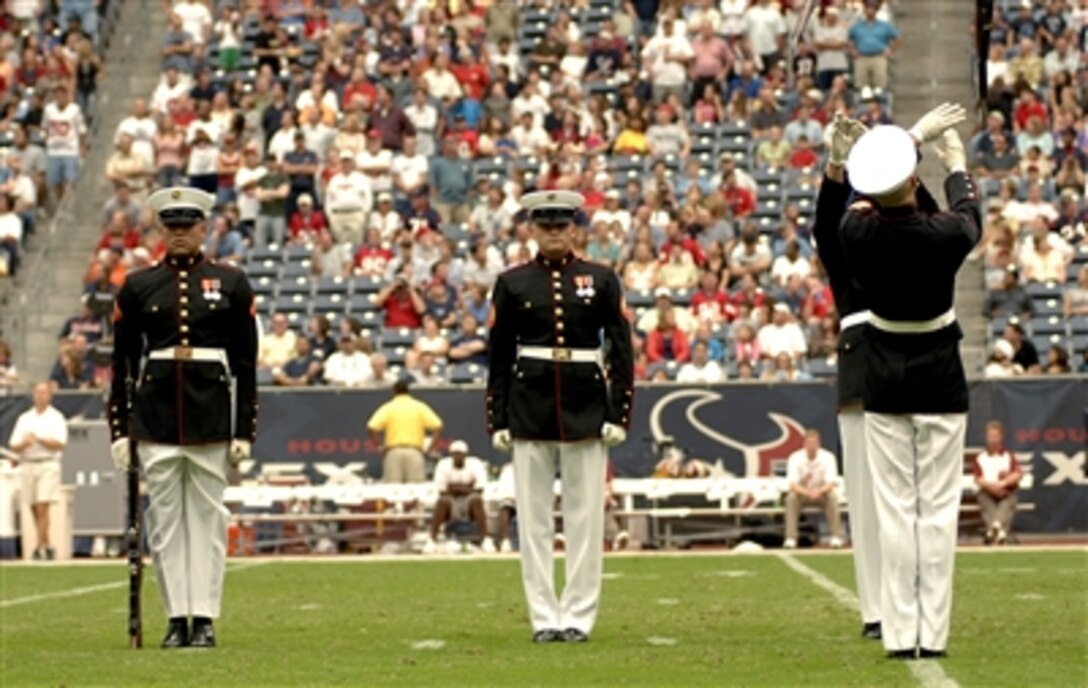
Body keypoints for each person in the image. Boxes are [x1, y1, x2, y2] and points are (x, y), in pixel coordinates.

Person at [814, 104, 964, 641]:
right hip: (866, 366)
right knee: (871, 497)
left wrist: (883, 155)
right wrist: (841, 167)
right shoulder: (851, 243)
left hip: (884, 359)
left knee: (903, 502)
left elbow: (909, 205)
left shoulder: (876, 234)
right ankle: (879, 608)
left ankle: (903, 610)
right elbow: (828, 223)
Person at [108, 186, 258, 649]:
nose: (178, 234)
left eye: (187, 226)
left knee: (209, 519)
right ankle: (177, 617)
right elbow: (123, 363)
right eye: (170, 226)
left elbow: (246, 364)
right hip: (156, 415)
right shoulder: (138, 285)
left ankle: (205, 617)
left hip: (211, 410)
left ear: (203, 228)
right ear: (159, 228)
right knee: (167, 522)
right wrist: (120, 428)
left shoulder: (231, 282)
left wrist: (243, 428)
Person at [487, 190, 634, 643]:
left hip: (585, 404)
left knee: (585, 518)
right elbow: (497, 355)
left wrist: (619, 411)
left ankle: (577, 616)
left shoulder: (602, 278)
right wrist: (498, 417)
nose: (554, 234)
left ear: (575, 229)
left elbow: (621, 347)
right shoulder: (512, 282)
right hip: (529, 405)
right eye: (545, 226)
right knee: (532, 521)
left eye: (562, 226)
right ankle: (543, 618)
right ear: (531, 229)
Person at [8, 383, 68, 560]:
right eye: (38, 393)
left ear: (50, 395)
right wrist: (26, 443)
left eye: (44, 393)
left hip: (48, 463)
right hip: (28, 464)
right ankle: (47, 544)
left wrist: (40, 440)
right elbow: (14, 445)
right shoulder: (25, 419)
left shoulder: (56, 417)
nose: (41, 396)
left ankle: (39, 547)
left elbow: (60, 443)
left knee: (43, 505)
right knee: (33, 506)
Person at [366, 379, 443, 483]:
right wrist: (429, 449)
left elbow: (371, 427)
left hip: (393, 452)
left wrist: (380, 447)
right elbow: (438, 426)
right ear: (408, 391)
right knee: (415, 492)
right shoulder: (419, 407)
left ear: (393, 391)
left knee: (393, 493)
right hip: (414, 452)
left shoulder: (389, 407)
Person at [424, 440, 492, 553]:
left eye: (460, 453)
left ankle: (485, 540)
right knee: (442, 501)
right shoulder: (443, 465)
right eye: (455, 453)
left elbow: (480, 489)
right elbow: (442, 491)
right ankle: (431, 540)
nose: (458, 456)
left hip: (469, 502)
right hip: (451, 501)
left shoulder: (475, 464)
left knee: (476, 499)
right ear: (451, 455)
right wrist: (467, 487)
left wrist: (454, 487)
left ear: (466, 454)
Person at [782, 428, 845, 550]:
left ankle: (836, 537)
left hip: (822, 494)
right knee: (791, 498)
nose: (812, 446)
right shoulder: (795, 458)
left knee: (832, 497)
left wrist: (819, 491)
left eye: (814, 443)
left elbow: (831, 483)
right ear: (804, 444)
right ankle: (791, 538)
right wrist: (807, 492)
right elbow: (792, 484)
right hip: (802, 494)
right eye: (809, 443)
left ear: (819, 444)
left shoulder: (828, 458)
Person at [972, 421, 1023, 545]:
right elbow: (977, 479)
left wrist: (1003, 484)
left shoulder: (1008, 456)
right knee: (983, 499)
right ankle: (1001, 533)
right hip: (987, 492)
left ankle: (993, 531)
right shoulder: (980, 457)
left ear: (1001, 437)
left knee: (1009, 501)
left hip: (1006, 492)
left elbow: (1018, 474)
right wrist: (991, 487)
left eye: (995, 436)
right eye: (990, 436)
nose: (993, 439)